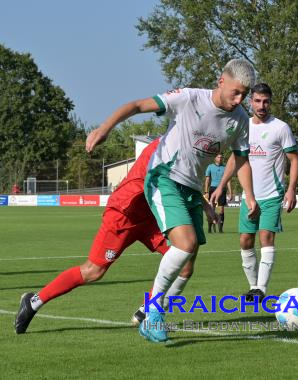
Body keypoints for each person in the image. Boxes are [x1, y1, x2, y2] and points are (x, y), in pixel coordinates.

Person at [85, 59, 259, 343]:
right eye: (236, 92)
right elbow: (137, 105)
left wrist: (249, 196)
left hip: (191, 189)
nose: (240, 100)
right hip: (164, 177)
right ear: (221, 82)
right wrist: (103, 128)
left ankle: (152, 312)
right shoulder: (189, 98)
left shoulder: (240, 119)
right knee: (185, 243)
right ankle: (152, 314)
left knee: (188, 262)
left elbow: (241, 159)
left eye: (245, 94)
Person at [14, 139, 217, 334]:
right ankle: (33, 302)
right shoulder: (164, 147)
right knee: (93, 271)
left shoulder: (186, 147)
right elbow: (168, 180)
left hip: (150, 217)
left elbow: (184, 181)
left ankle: (148, 313)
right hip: (125, 213)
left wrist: (206, 206)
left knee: (185, 263)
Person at [230, 83, 298, 302]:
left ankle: (261, 288)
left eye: (266, 101)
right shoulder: (243, 126)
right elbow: (236, 159)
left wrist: (291, 189)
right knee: (245, 241)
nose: (262, 105)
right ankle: (252, 287)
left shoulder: (281, 128)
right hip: (248, 196)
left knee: (266, 237)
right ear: (251, 101)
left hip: (271, 195)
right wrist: (222, 185)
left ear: (271, 102)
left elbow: (294, 159)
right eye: (258, 101)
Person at [204, 154, 232, 233]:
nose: (220, 158)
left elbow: (228, 180)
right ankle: (210, 227)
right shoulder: (210, 167)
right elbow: (207, 180)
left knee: (221, 210)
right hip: (212, 189)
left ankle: (220, 229)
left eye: (221, 157)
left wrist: (230, 192)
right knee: (211, 209)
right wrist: (206, 192)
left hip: (222, 190)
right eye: (218, 157)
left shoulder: (225, 167)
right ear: (215, 158)